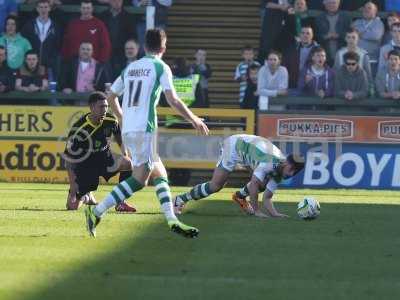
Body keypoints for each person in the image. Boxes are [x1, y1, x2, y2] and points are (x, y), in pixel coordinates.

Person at [84, 28, 209, 238]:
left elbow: (111, 95)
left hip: (130, 128)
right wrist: (194, 119)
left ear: (144, 46)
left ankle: (172, 220)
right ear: (163, 47)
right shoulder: (160, 67)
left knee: (160, 173)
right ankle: (96, 210)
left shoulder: (131, 67)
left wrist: (123, 117)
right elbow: (173, 100)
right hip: (145, 129)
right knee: (140, 179)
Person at [174, 134, 305, 218]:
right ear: (286, 162)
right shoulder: (270, 162)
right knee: (216, 186)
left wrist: (275, 215)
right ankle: (179, 199)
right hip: (234, 146)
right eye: (292, 169)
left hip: (248, 151)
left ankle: (239, 196)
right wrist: (256, 211)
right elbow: (253, 183)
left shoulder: (281, 170)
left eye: (295, 172)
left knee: (262, 185)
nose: (292, 173)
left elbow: (267, 197)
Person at [64, 91, 136, 212]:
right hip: (86, 165)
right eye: (101, 107)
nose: (104, 110)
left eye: (106, 106)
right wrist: (73, 185)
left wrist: (125, 153)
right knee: (72, 207)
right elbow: (69, 159)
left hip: (105, 158)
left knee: (127, 163)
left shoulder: (111, 120)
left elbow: (119, 136)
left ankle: (121, 202)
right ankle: (85, 195)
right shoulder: (79, 129)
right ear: (92, 108)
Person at [21, 0, 62, 81]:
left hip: (49, 66)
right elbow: (24, 45)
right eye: (41, 7)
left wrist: (52, 61)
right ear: (37, 9)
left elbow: (58, 46)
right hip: (32, 66)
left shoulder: (56, 27)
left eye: (46, 7)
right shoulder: (29, 25)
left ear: (49, 8)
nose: (43, 10)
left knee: (49, 90)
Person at [99, 0, 138, 78]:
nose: (117, 3)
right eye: (114, 1)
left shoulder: (128, 17)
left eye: (119, 1)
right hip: (106, 52)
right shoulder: (103, 16)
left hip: (122, 54)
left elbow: (133, 36)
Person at [314, 0, 352, 64]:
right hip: (324, 53)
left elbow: (351, 34)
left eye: (334, 3)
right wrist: (325, 37)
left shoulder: (346, 17)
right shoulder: (319, 18)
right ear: (325, 4)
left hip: (343, 52)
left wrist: (338, 35)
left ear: (338, 4)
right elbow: (316, 35)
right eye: (329, 3)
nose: (331, 5)